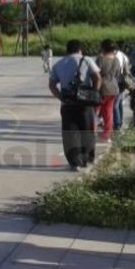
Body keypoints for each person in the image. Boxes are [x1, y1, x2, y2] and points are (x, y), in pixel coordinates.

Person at [48, 40, 101, 172]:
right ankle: (87, 159)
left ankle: (74, 162)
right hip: (85, 103)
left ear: (67, 50)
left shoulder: (58, 64)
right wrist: (94, 93)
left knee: (70, 133)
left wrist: (61, 97)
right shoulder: (87, 60)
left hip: (67, 103)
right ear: (80, 49)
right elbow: (97, 77)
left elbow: (52, 85)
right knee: (87, 131)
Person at [95, 39, 121, 144]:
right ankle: (107, 136)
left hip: (102, 88)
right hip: (114, 88)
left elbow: (95, 74)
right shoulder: (117, 60)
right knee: (109, 112)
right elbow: (117, 74)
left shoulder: (100, 59)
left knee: (94, 112)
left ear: (103, 47)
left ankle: (91, 133)